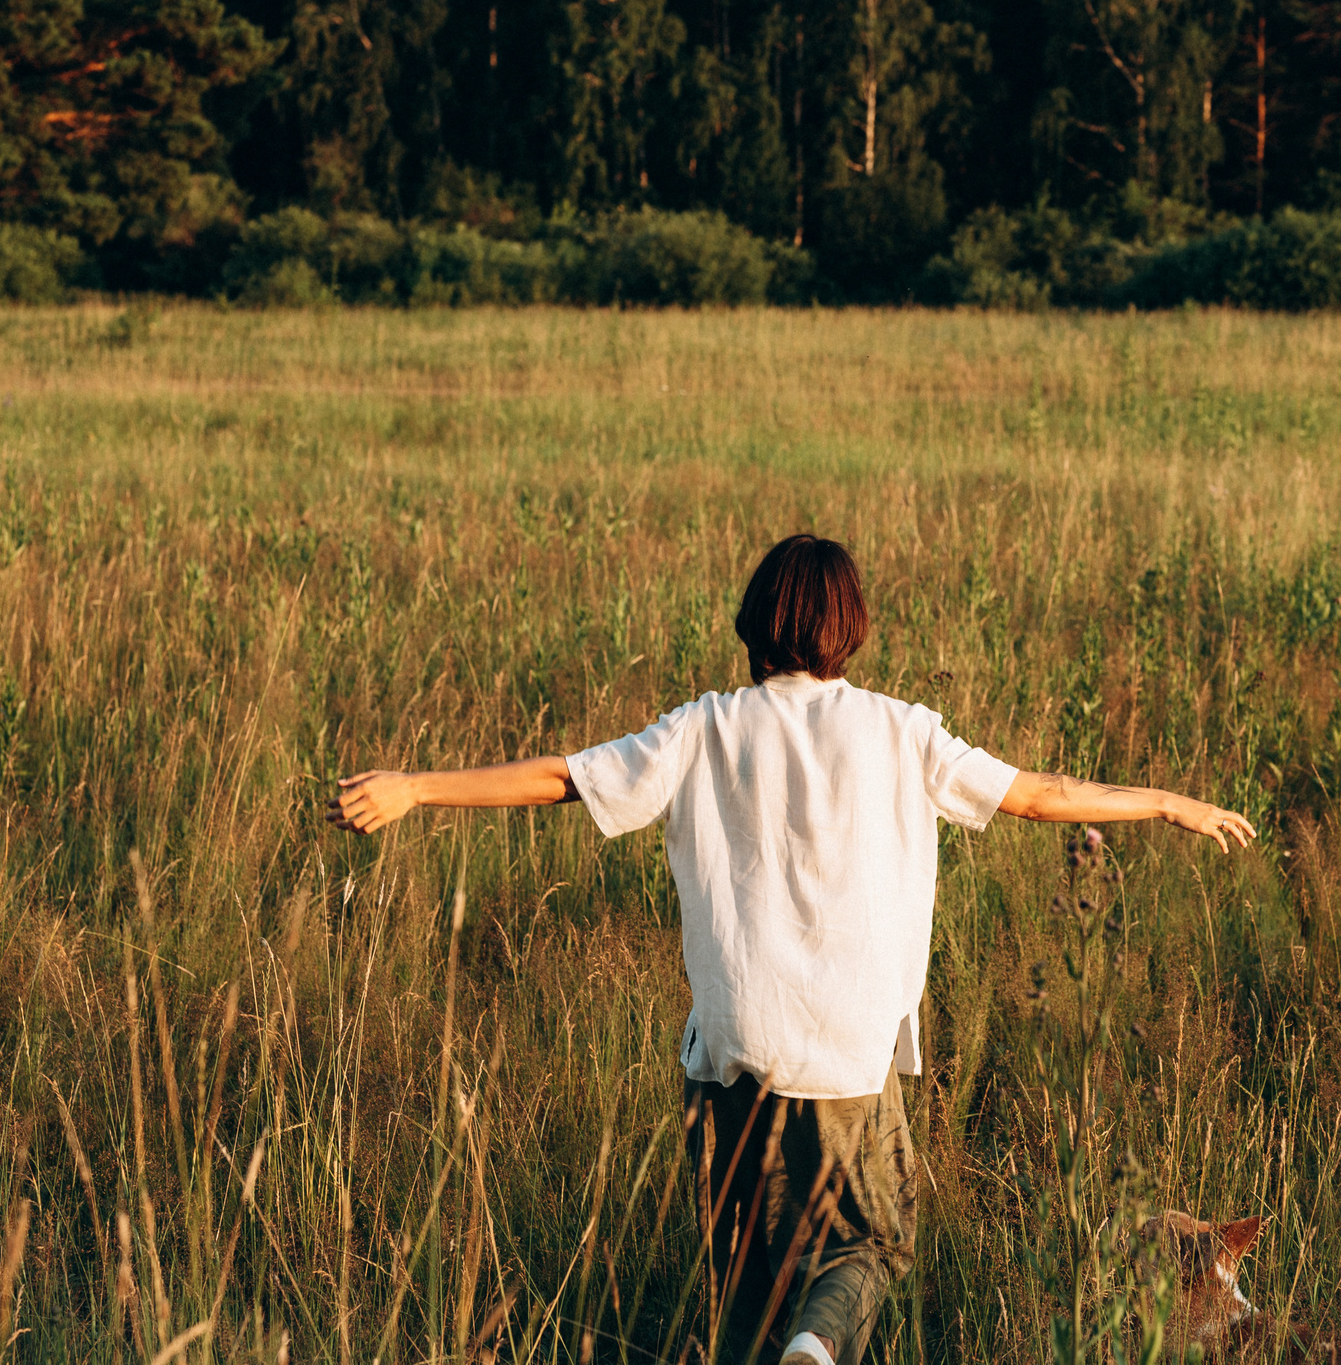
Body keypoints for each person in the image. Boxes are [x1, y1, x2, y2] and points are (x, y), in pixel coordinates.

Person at [329, 534, 1256, 1365]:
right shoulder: (903, 729)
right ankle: (815, 1350)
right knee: (873, 1245)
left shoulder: (702, 726)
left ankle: (788, 1345)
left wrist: (415, 787)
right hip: (850, 1049)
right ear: (849, 629)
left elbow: (562, 779)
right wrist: (1171, 803)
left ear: (754, 623)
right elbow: (1041, 796)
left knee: (745, 1272)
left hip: (734, 1044)